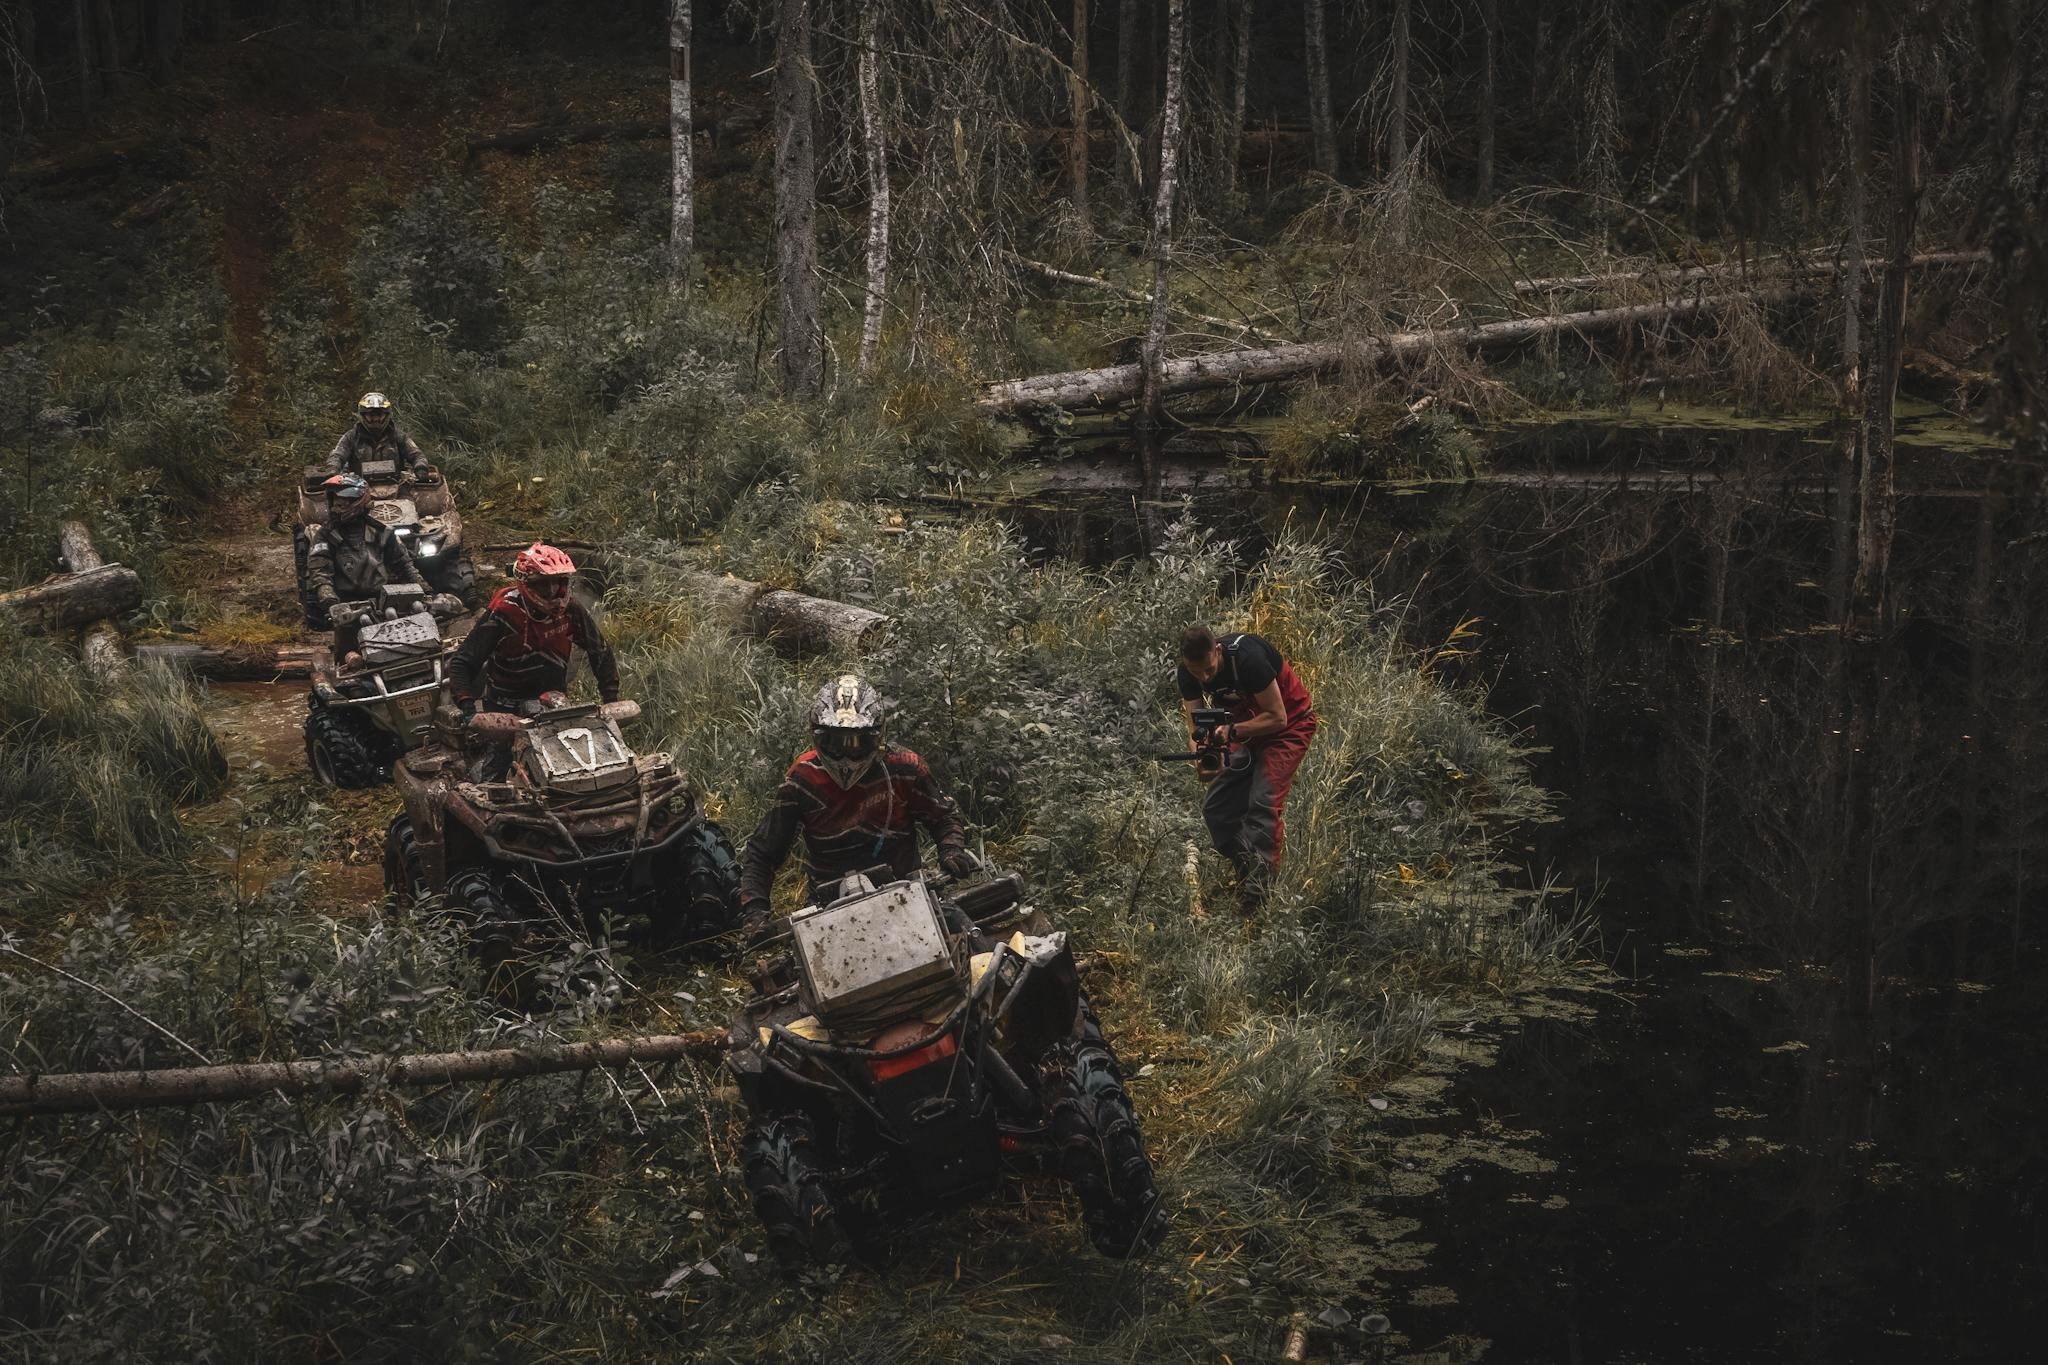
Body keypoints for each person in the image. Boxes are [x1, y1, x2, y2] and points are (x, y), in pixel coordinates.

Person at [739, 674, 977, 940]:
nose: (844, 756)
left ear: (877, 737)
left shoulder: (904, 767)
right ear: (817, 735)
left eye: (856, 743)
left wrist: (951, 851)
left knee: (968, 942)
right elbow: (763, 852)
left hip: (908, 893)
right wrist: (756, 913)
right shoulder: (803, 779)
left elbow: (943, 816)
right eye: (834, 741)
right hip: (828, 909)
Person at [1175, 624, 1318, 915]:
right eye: (1195, 672)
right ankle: (1248, 871)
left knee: (1262, 802)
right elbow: (1195, 725)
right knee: (1217, 809)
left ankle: (1257, 900)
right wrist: (1201, 756)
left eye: (1209, 670)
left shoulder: (1248, 658)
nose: (1203, 677)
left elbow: (1278, 718)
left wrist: (1232, 731)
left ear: (1217, 650)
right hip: (1241, 732)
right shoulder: (1187, 672)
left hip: (1289, 727)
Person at [448, 542, 619, 715]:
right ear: (527, 583)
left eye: (557, 582)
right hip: (506, 710)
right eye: (543, 583)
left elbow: (600, 652)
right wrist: (467, 707)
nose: (552, 590)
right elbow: (462, 661)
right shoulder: (505, 612)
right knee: (498, 742)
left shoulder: (571, 610)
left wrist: (610, 700)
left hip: (555, 705)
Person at [306, 473, 423, 634]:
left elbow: (404, 564)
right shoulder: (325, 535)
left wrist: (423, 589)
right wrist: (328, 597)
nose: (336, 508)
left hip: (384, 601)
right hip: (348, 607)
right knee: (350, 655)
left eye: (342, 504)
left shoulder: (382, 532)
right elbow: (319, 570)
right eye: (335, 503)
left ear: (358, 503)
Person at [326, 391, 430, 478]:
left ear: (387, 415)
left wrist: (421, 468)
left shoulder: (399, 436)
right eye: (371, 415)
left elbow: (417, 454)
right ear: (362, 415)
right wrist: (333, 469)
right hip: (356, 488)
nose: (375, 419)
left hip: (398, 486)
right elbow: (337, 455)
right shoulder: (351, 436)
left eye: (379, 415)